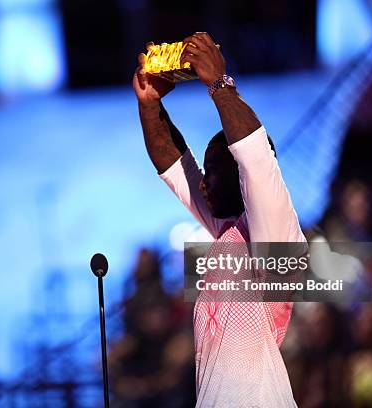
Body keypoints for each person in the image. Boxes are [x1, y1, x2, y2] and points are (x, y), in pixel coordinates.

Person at [133, 32, 306, 407]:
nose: (205, 183)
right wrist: (149, 104)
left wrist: (219, 85)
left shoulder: (276, 237)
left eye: (214, 172)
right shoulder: (226, 232)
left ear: (239, 177)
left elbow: (257, 161)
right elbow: (173, 165)